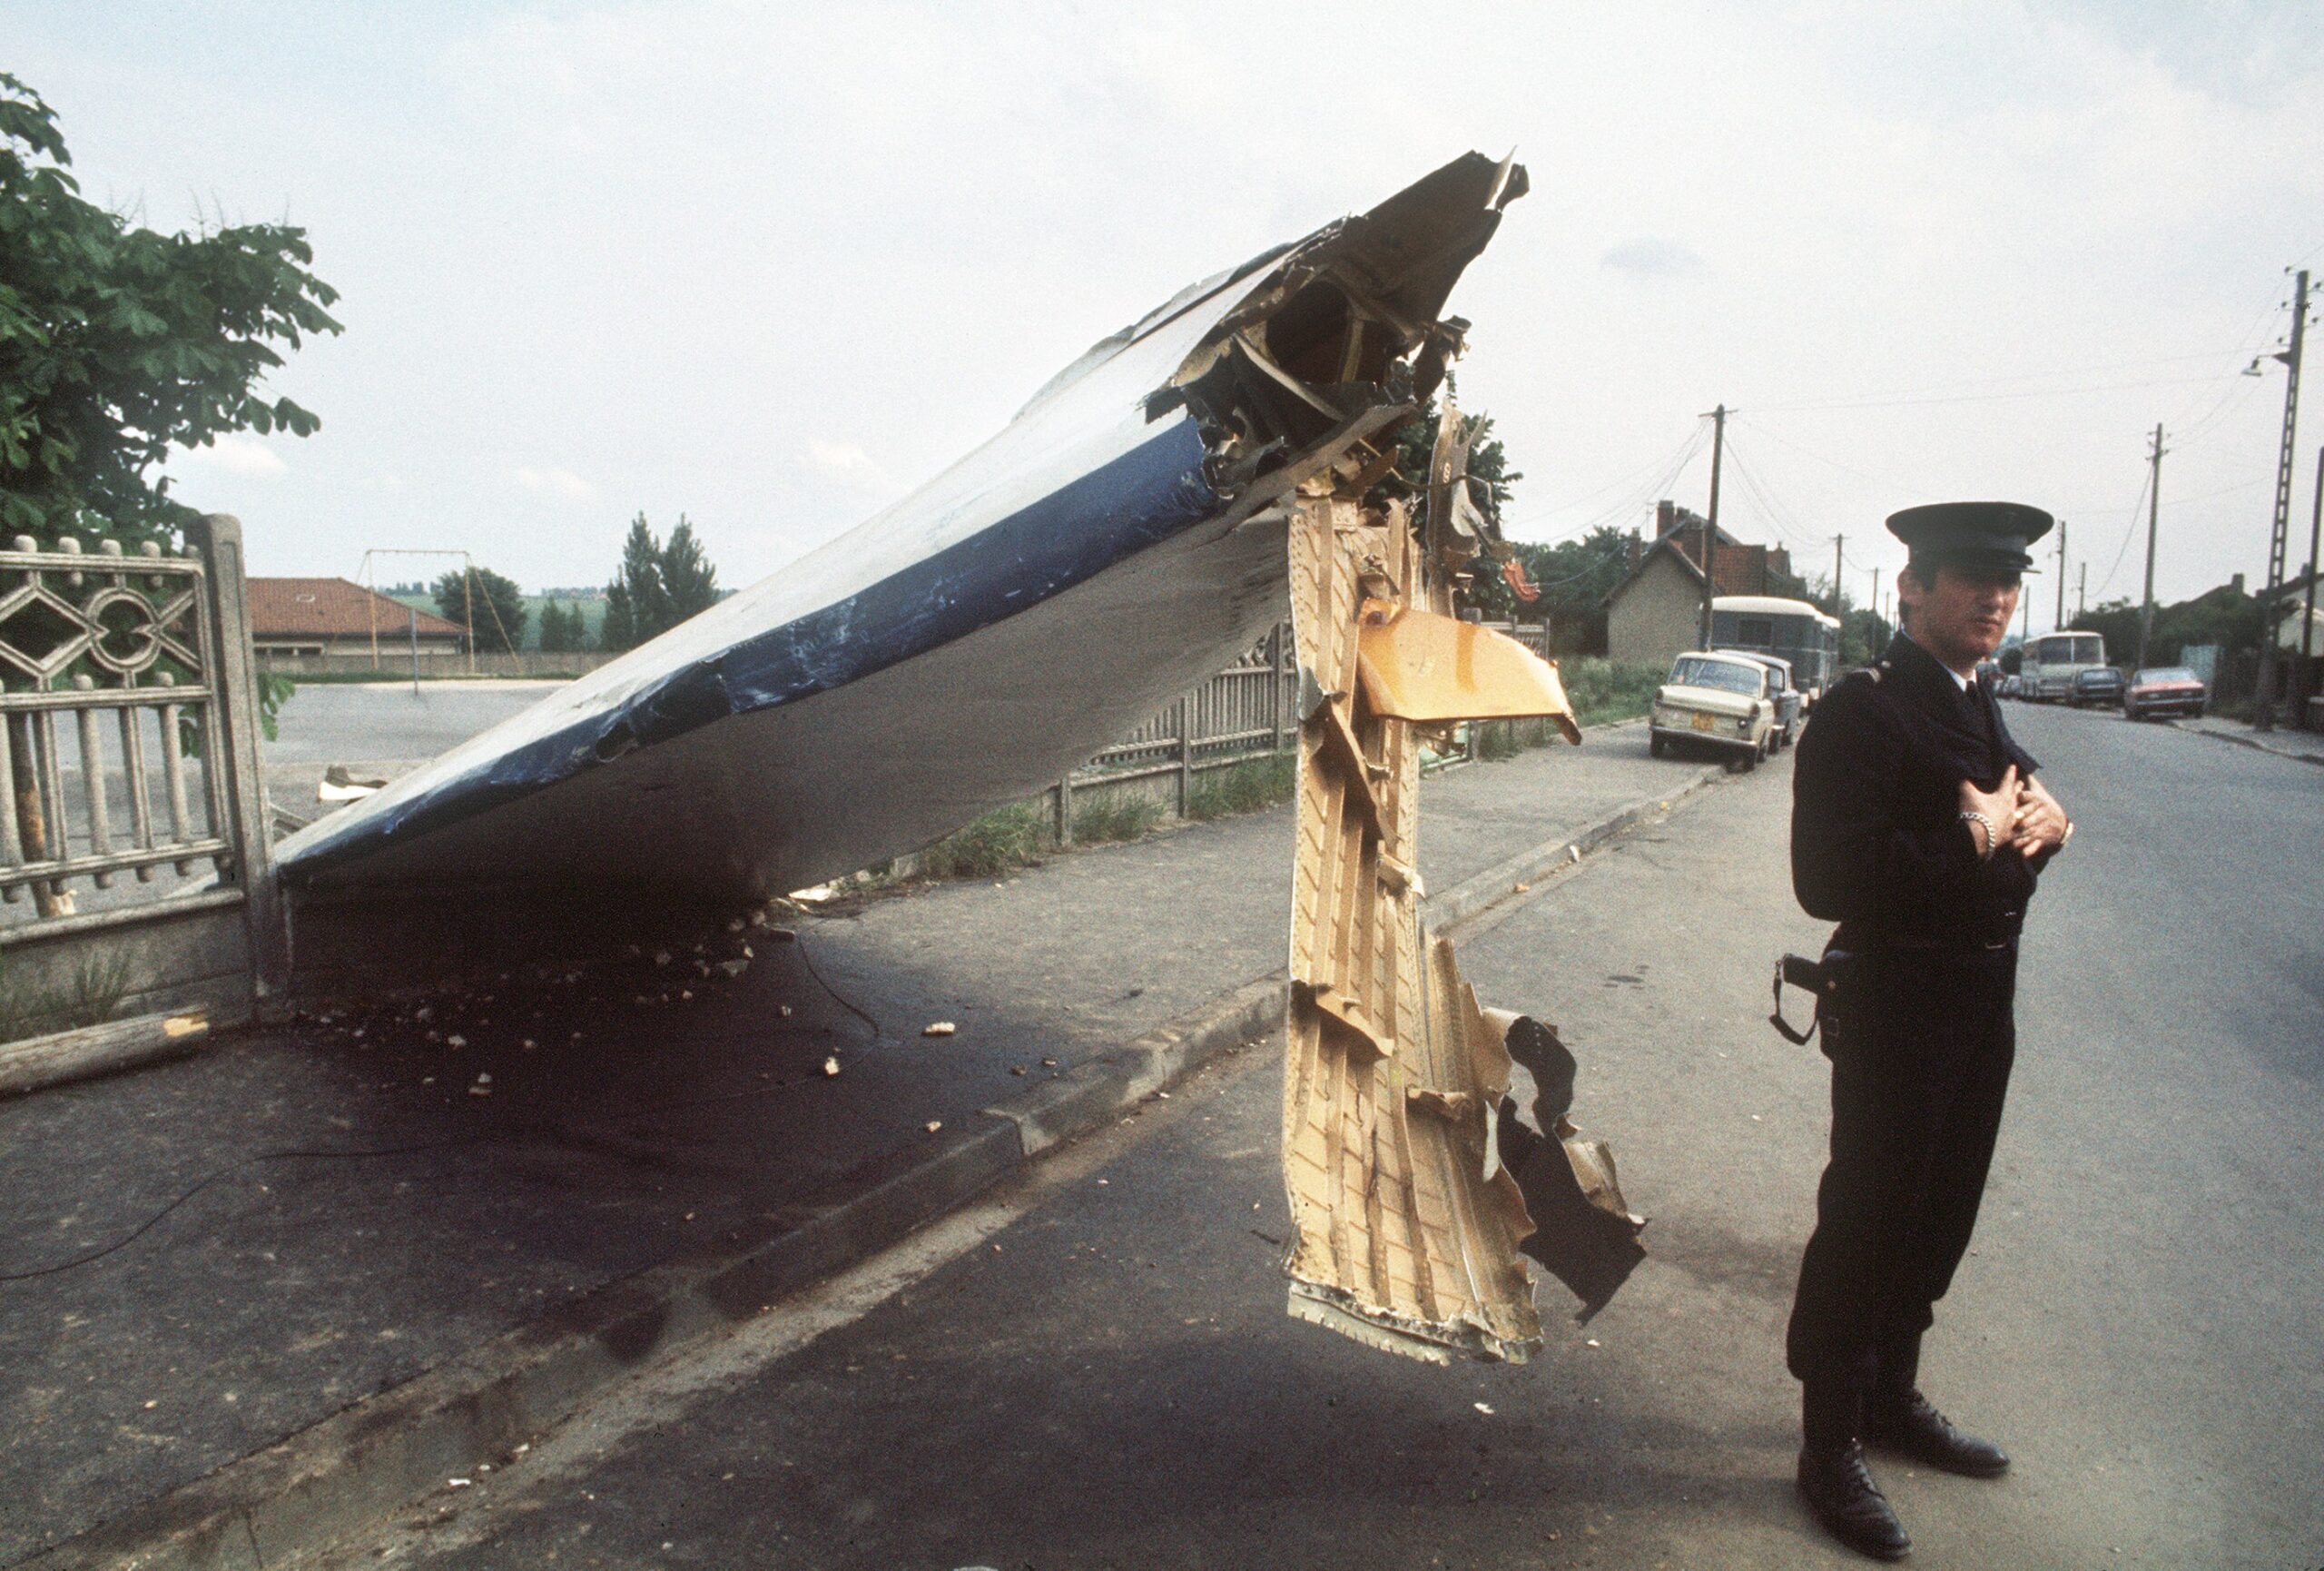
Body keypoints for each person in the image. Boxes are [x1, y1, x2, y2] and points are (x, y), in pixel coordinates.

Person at [1785, 501, 2073, 1560]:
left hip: (1976, 1004)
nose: (1994, 597)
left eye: (2008, 581)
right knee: (1866, 1215)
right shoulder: (1862, 711)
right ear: (1908, 589)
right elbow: (1825, 880)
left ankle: (1891, 1398)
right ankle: (1826, 1445)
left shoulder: (1972, 696)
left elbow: (2012, 784)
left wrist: (2048, 820)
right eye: (1968, 578)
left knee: (1938, 1210)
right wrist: (1972, 833)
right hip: (1900, 1007)